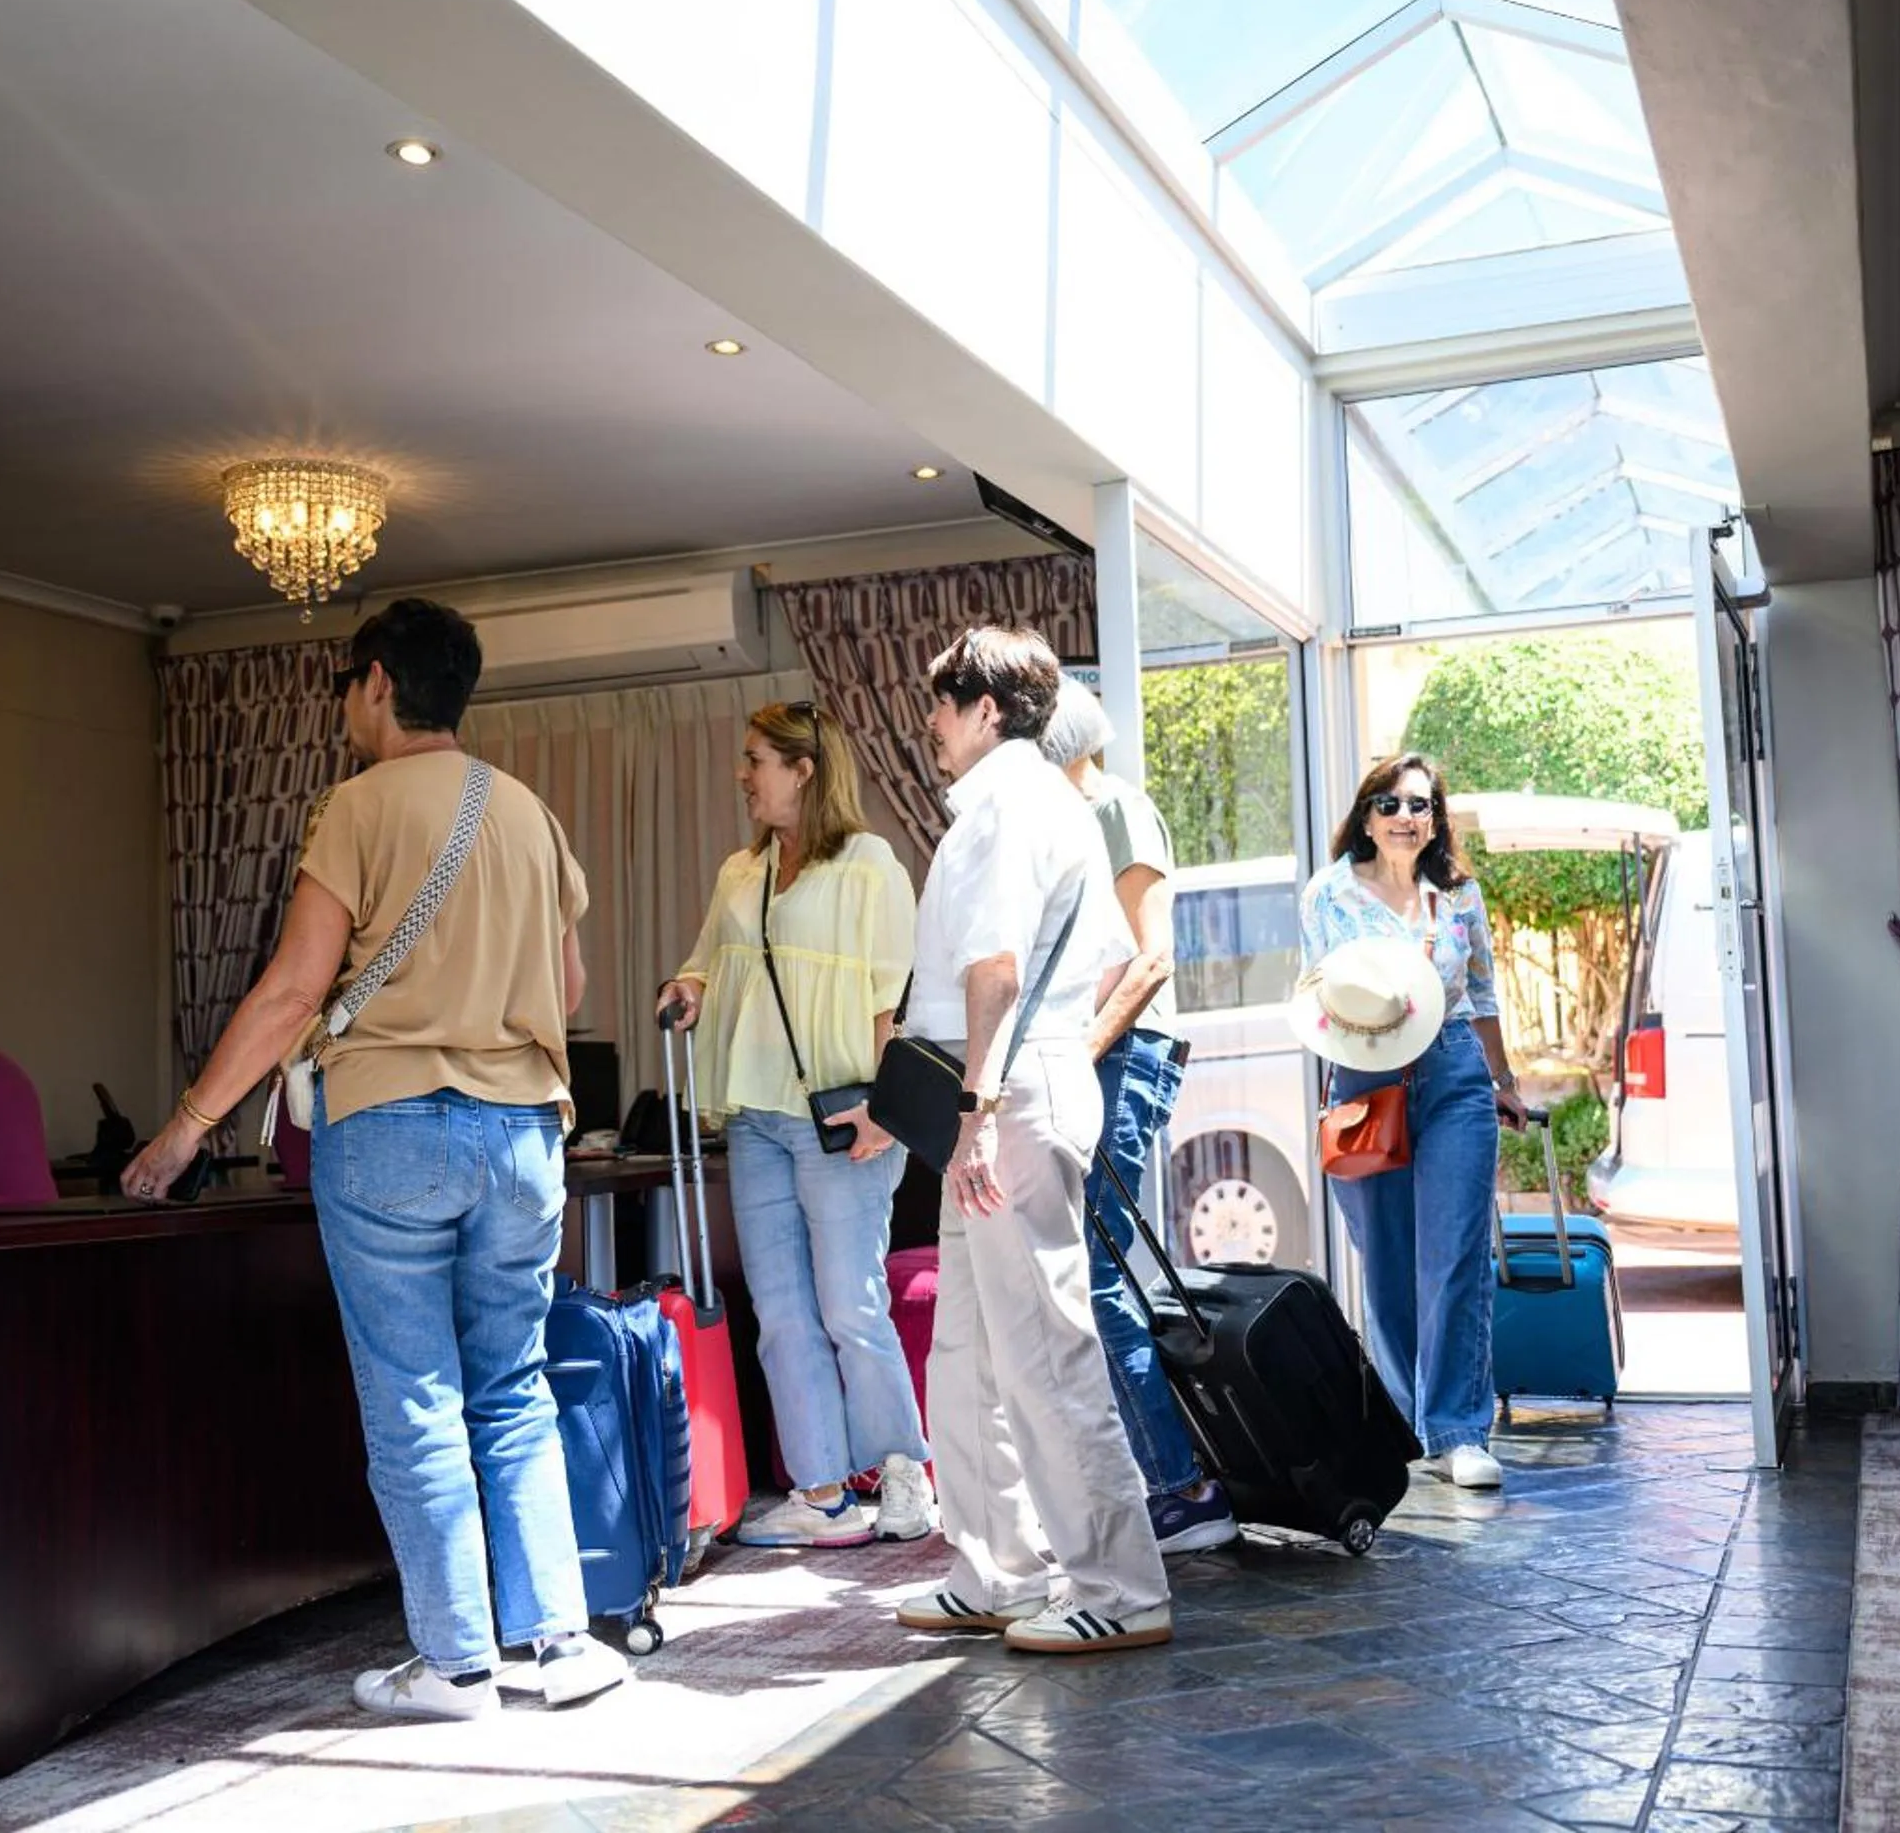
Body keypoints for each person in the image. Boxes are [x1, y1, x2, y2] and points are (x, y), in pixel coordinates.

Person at [122, 598, 627, 1718]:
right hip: (523, 1131)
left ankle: (452, 1663)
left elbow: (296, 988)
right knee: (513, 1386)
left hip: (391, 1126)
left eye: (345, 685)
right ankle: (556, 1641)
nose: (345, 706)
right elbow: (572, 989)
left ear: (380, 684)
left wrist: (188, 1125)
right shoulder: (528, 809)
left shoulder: (355, 806)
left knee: (415, 1397)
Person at [889, 627, 1174, 1654]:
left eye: (940, 701)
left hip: (1006, 1097)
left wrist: (970, 1116)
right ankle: (999, 1566)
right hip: (1015, 1089)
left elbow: (996, 972)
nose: (929, 722)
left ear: (984, 708)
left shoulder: (1007, 807)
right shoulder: (1039, 802)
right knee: (971, 1350)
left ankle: (1120, 1584)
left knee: (1045, 1351)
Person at [658, 700, 934, 1550]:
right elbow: (707, 958)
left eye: (757, 760)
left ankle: (903, 1471)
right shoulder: (741, 872)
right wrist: (690, 989)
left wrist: (888, 1111)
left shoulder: (869, 864)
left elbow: (896, 994)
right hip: (756, 1113)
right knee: (780, 1311)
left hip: (843, 1113)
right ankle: (820, 1491)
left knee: (849, 1301)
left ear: (804, 768)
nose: (744, 776)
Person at [1035, 677, 1236, 1555]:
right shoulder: (1058, 820)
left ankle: (1180, 1484)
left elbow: (1151, 959)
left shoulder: (1117, 807)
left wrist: (1075, 1055)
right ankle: (1146, 1479)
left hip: (1124, 1054)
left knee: (1098, 1265)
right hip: (1092, 1055)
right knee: (1087, 1269)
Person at [1297, 752, 1527, 1491]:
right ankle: (1406, 1423)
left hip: (1455, 1069)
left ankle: (1460, 1427)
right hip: (1365, 1071)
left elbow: (1484, 992)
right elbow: (1313, 992)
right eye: (1391, 804)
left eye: (1420, 805)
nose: (1406, 817)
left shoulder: (1457, 895)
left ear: (1436, 819)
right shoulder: (1329, 892)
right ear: (1367, 815)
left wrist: (1504, 1079)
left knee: (1454, 1254)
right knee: (1389, 1263)